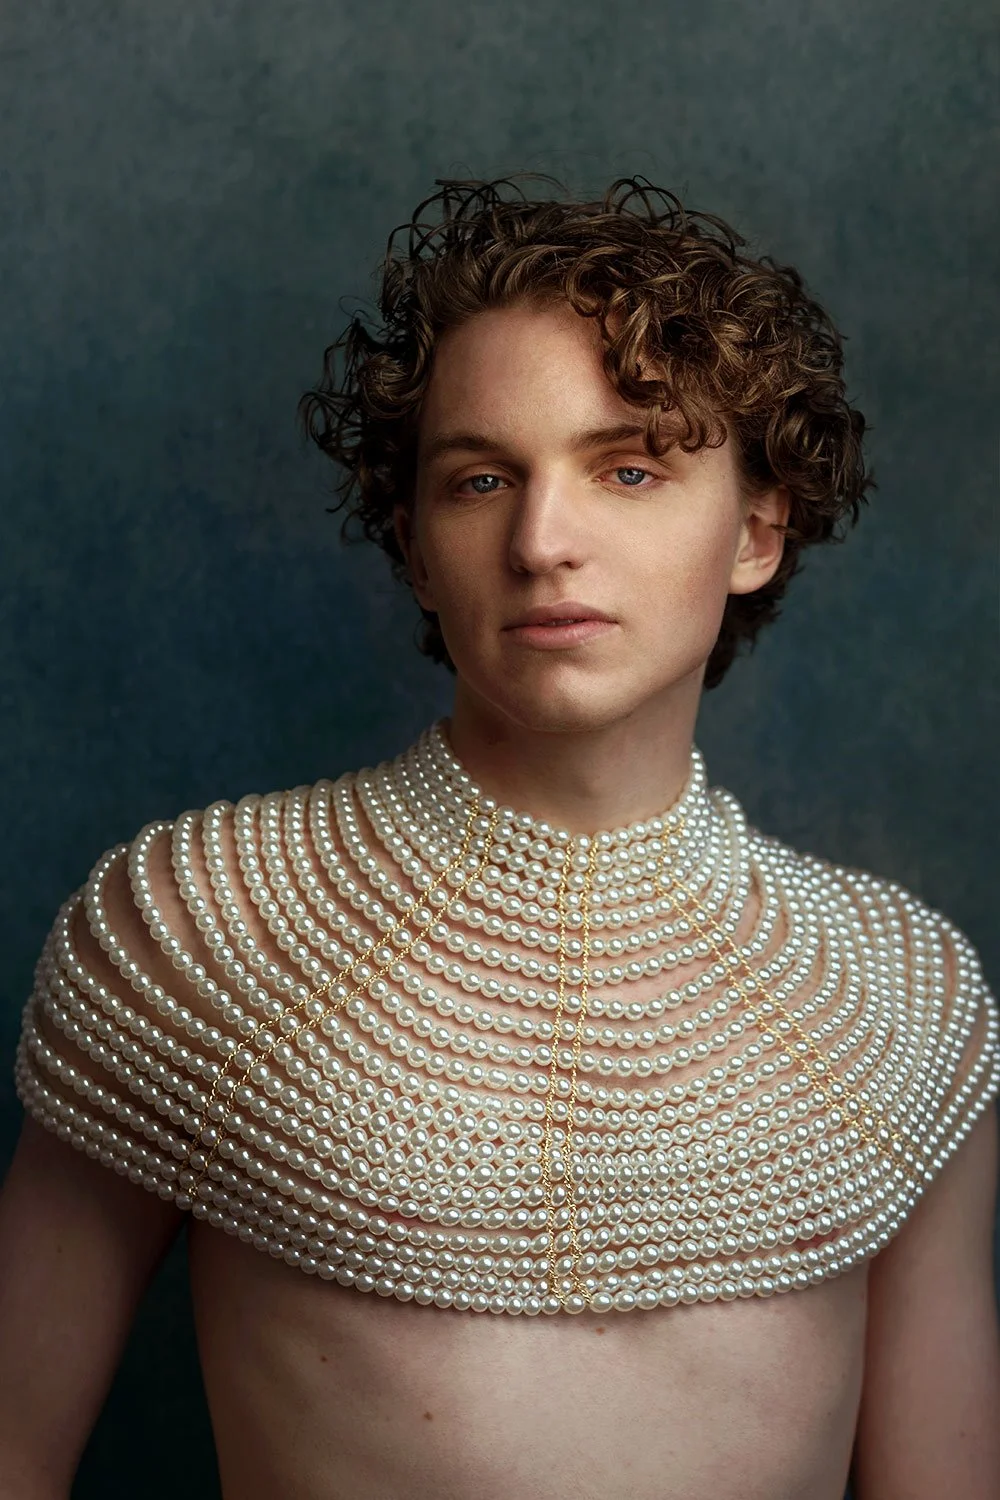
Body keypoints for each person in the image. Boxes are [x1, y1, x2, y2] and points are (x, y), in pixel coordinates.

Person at [1, 175, 997, 1500]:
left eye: (629, 467)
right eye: (482, 479)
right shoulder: (194, 924)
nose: (543, 542)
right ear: (417, 548)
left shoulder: (907, 996)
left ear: (758, 529)